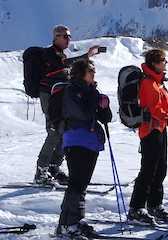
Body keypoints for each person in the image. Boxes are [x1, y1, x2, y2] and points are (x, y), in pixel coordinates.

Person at [128, 48, 168, 225]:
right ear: (155, 64)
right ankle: (136, 208)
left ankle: (154, 205)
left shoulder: (158, 83)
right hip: (150, 130)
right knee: (149, 170)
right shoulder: (148, 84)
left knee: (160, 170)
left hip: (159, 128)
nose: (166, 63)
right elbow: (155, 110)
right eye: (163, 60)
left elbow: (163, 108)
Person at [34, 25, 101, 186]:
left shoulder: (59, 53)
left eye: (69, 36)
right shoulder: (49, 53)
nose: (68, 39)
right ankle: (41, 170)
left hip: (59, 96)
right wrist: (86, 56)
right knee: (54, 130)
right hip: (50, 96)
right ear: (56, 37)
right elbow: (64, 63)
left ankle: (54, 167)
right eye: (65, 36)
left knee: (63, 129)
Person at [56, 59, 112, 238]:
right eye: (90, 69)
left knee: (81, 185)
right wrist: (97, 100)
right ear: (80, 73)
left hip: (90, 141)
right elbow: (84, 114)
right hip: (76, 140)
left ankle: (76, 221)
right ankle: (67, 224)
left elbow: (106, 118)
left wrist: (104, 106)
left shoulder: (91, 91)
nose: (94, 72)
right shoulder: (72, 91)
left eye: (94, 69)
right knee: (76, 184)